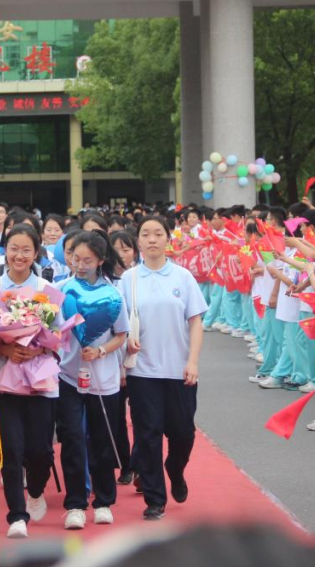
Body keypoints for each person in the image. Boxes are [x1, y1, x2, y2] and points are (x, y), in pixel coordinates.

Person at [119, 216, 207, 521]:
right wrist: (124, 347)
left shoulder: (182, 277)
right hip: (142, 372)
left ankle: (176, 469)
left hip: (179, 370)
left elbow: (196, 321)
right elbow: (119, 326)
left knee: (184, 433)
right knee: (148, 435)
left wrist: (192, 360)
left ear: (168, 240)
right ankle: (155, 499)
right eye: (146, 234)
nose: (152, 239)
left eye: (158, 234)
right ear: (138, 242)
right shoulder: (128, 280)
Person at [0, 225, 60, 539]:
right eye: (14, 248)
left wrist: (39, 345)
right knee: (11, 450)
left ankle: (36, 490)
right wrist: (4, 346)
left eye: (26, 250)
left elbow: (60, 335)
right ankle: (16, 516)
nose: (19, 255)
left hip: (41, 382)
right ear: (4, 251)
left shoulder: (47, 291)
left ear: (35, 253)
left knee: (40, 451)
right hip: (3, 382)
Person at [56, 231, 128, 530]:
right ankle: (75, 503)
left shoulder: (113, 294)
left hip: (103, 377)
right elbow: (51, 329)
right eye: (75, 258)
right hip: (68, 376)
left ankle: (103, 501)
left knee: (100, 439)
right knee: (72, 437)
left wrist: (99, 350)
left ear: (100, 261)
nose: (80, 264)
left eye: (87, 260)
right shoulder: (61, 289)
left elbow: (122, 335)